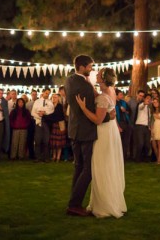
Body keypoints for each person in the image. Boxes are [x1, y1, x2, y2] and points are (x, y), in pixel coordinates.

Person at [75, 67, 126, 218]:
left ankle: (103, 205)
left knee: (101, 166)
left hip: (103, 133)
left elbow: (98, 120)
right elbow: (99, 96)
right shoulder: (110, 90)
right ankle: (110, 201)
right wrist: (90, 83)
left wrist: (84, 108)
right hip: (110, 131)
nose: (95, 74)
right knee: (107, 165)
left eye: (97, 74)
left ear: (103, 78)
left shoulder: (104, 97)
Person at [65, 55, 100, 217]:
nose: (91, 69)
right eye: (90, 66)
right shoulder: (85, 87)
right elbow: (91, 110)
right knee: (88, 169)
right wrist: (108, 117)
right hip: (85, 131)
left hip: (74, 130)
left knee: (78, 166)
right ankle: (74, 204)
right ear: (81, 66)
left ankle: (73, 201)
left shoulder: (70, 80)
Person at [31, 88, 55, 162]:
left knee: (46, 141)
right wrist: (40, 116)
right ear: (43, 92)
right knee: (37, 140)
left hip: (46, 123)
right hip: (38, 122)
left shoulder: (50, 102)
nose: (47, 95)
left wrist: (44, 113)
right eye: (46, 93)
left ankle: (46, 157)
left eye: (48, 93)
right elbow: (32, 112)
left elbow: (52, 111)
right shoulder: (37, 102)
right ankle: (38, 157)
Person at [46, 93, 67, 162]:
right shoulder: (51, 106)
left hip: (59, 125)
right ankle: (54, 156)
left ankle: (58, 157)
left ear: (58, 98)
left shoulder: (59, 106)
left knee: (59, 142)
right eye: (53, 97)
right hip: (54, 125)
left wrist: (45, 116)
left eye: (55, 97)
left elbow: (55, 116)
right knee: (53, 142)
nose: (54, 98)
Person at [133, 93, 152, 162]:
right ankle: (137, 158)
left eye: (150, 99)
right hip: (140, 126)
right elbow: (142, 107)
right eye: (147, 98)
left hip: (147, 127)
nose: (148, 100)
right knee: (140, 143)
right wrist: (145, 103)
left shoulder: (150, 108)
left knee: (147, 144)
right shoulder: (141, 105)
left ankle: (145, 158)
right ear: (144, 99)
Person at [115, 89, 132, 161]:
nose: (122, 96)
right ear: (116, 95)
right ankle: (118, 158)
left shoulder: (124, 103)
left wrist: (125, 111)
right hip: (119, 123)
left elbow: (129, 112)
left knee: (126, 142)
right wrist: (118, 126)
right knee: (119, 142)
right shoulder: (113, 103)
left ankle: (124, 158)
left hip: (126, 123)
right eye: (121, 94)